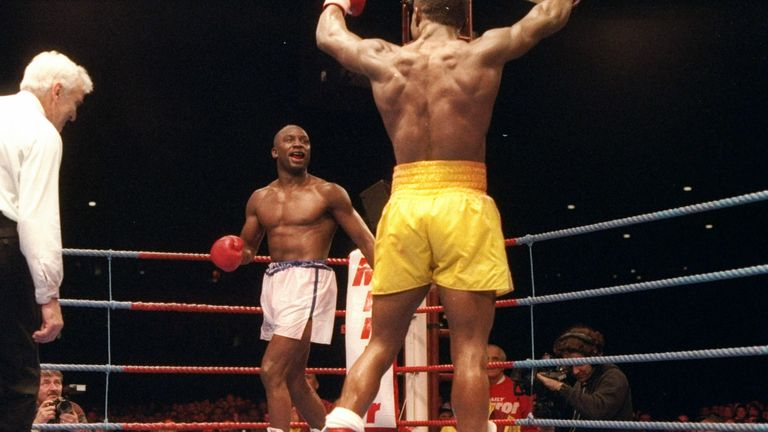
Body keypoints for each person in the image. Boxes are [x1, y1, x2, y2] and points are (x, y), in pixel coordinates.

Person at [316, 0, 578, 430]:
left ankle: (343, 421)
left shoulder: (388, 58)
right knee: (470, 352)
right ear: (462, 20)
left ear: (416, 16)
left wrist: (339, 2)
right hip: (463, 202)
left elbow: (329, 35)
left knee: (381, 342)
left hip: (405, 205)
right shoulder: (481, 51)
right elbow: (549, 15)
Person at [209, 124, 375, 432]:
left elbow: (366, 241)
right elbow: (248, 250)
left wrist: (392, 282)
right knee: (294, 379)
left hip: (309, 278)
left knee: (271, 371)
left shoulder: (328, 192)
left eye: (305, 140)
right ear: (275, 151)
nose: (298, 144)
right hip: (275, 282)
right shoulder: (260, 199)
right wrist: (233, 254)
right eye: (290, 140)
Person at [0, 50, 93, 432]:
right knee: (17, 377)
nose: (73, 116)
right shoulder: (41, 132)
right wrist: (48, 296)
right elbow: (37, 219)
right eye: (74, 103)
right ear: (57, 91)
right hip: (3, 246)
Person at [535, 325, 633, 432]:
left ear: (594, 356)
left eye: (579, 364)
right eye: (570, 365)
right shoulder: (581, 383)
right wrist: (552, 428)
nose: (575, 371)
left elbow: (597, 412)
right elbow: (576, 425)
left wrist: (559, 386)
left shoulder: (613, 377)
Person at [487, 344, 534, 432]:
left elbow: (531, 427)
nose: (490, 363)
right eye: (485, 359)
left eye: (495, 359)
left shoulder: (519, 388)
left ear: (504, 365)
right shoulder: (471, 390)